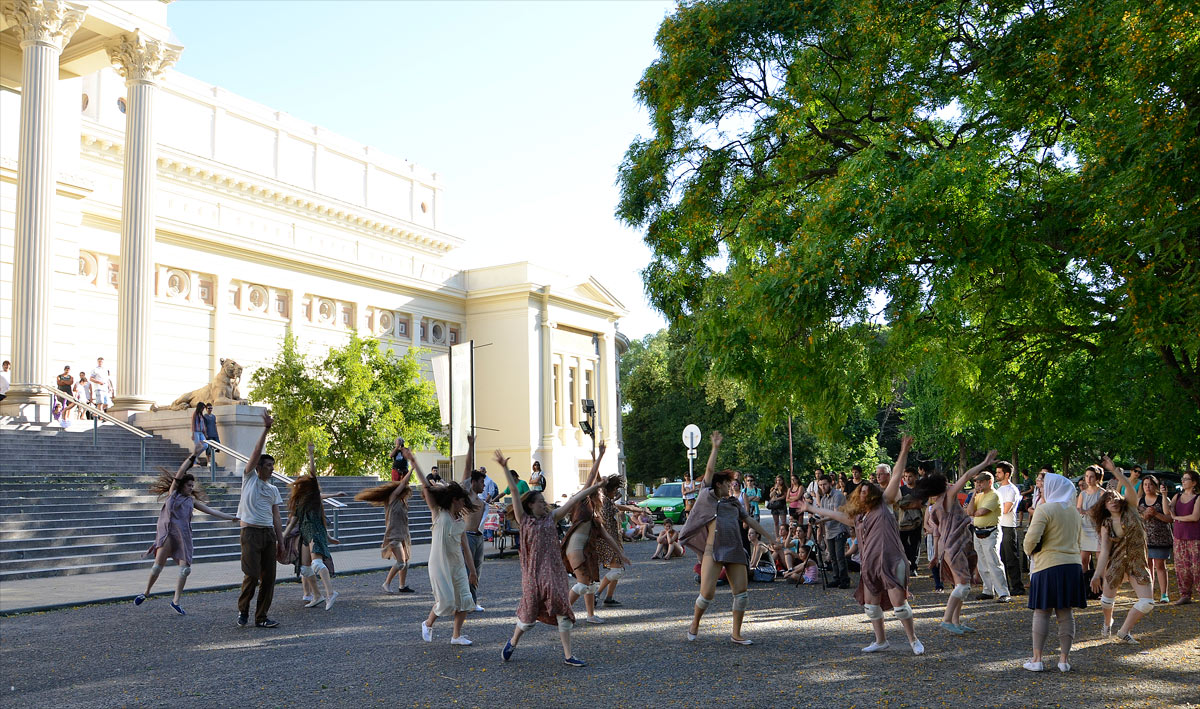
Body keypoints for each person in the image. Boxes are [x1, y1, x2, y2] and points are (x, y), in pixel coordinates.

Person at [799, 436, 923, 655]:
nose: (865, 494)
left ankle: (913, 640)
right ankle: (880, 640)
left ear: (874, 493)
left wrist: (904, 450)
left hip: (892, 561)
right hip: (870, 564)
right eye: (862, 492)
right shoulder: (857, 517)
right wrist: (811, 508)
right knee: (872, 607)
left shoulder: (885, 503)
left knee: (900, 607)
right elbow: (835, 514)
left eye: (868, 491)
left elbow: (895, 476)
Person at [500, 456, 609, 667]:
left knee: (563, 610)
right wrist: (505, 467)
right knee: (528, 618)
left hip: (554, 572)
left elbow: (575, 500)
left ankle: (568, 655)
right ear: (530, 505)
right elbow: (514, 492)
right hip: (533, 575)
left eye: (544, 502)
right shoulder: (525, 520)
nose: (544, 504)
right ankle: (513, 642)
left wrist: (597, 485)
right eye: (540, 502)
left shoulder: (553, 517)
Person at [679, 431, 777, 645]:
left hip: (734, 550)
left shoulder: (733, 503)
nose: (731, 486)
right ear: (718, 485)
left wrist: (770, 537)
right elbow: (709, 470)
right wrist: (715, 448)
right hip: (713, 552)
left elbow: (750, 521)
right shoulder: (707, 496)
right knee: (707, 595)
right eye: (727, 483)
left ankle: (736, 634)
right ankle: (695, 622)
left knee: (741, 594)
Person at [134, 442, 238, 614]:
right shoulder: (173, 495)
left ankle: (176, 601)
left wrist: (232, 518)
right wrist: (193, 456)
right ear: (182, 485)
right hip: (169, 534)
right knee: (157, 566)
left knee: (186, 569)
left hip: (183, 537)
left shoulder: (191, 501)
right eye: (188, 485)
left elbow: (210, 510)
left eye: (192, 486)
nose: (191, 488)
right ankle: (146, 592)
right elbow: (180, 473)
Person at [909, 448, 999, 635]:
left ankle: (956, 622)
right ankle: (947, 620)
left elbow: (938, 534)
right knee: (963, 585)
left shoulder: (934, 507)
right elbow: (966, 475)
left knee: (961, 585)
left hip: (954, 546)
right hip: (956, 546)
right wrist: (985, 462)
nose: (951, 483)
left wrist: (936, 555)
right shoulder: (948, 498)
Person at [404, 446, 478, 645]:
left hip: (457, 564)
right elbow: (426, 487)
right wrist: (413, 461)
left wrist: (472, 571)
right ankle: (427, 623)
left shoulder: (460, 521)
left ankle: (456, 636)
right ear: (455, 499)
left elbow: (466, 548)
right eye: (463, 500)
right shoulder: (438, 513)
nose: (465, 503)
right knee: (445, 601)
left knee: (464, 600)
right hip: (439, 563)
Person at [1021, 472, 1086, 673]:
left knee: (1042, 611)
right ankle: (1064, 660)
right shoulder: (1074, 512)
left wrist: (1028, 551)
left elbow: (1031, 539)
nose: (1041, 490)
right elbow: (1080, 539)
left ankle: (1037, 659)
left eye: (1043, 487)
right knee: (1066, 613)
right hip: (1072, 565)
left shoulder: (1045, 510)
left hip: (1048, 565)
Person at [561, 442, 627, 624]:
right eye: (598, 490)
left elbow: (606, 535)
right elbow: (591, 478)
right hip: (575, 549)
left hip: (587, 550)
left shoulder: (595, 515)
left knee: (590, 585)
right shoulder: (582, 501)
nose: (600, 493)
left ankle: (590, 615)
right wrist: (599, 456)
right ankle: (563, 613)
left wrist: (621, 553)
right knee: (583, 584)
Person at [1090, 457, 1154, 643]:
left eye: (1116, 498)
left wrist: (1115, 471)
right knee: (1106, 601)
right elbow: (1104, 553)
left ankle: (1124, 631)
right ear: (1104, 506)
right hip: (1117, 562)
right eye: (1108, 500)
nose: (1113, 501)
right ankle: (1108, 620)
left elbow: (1129, 486)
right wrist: (1097, 574)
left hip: (1137, 561)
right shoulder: (1106, 524)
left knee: (1147, 603)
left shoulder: (1132, 509)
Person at [236, 411, 285, 629]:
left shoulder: (273, 489)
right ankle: (243, 610)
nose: (272, 469)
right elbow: (256, 452)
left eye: (273, 466)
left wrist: (281, 542)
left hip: (268, 534)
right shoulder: (249, 479)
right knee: (252, 575)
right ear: (258, 468)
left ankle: (262, 616)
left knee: (269, 578)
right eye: (268, 466)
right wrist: (266, 429)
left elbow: (277, 516)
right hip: (251, 533)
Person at [286, 443, 342, 610]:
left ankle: (330, 593)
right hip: (305, 534)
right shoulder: (299, 502)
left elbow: (313, 475)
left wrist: (311, 454)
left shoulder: (313, 497)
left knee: (317, 564)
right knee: (305, 569)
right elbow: (293, 522)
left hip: (315, 532)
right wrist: (282, 536)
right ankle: (317, 596)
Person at [355, 474, 415, 594]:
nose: (407, 496)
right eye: (406, 493)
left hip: (403, 535)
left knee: (406, 562)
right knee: (401, 562)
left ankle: (402, 586)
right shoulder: (392, 499)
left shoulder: (402, 502)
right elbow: (403, 483)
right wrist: (412, 468)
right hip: (393, 536)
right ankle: (386, 583)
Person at [594, 475, 643, 607]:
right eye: (615, 490)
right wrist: (596, 458)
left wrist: (637, 509)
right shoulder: (603, 500)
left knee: (617, 569)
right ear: (611, 489)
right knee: (617, 571)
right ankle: (597, 594)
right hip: (608, 541)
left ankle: (609, 598)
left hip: (612, 539)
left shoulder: (608, 502)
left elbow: (622, 507)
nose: (616, 493)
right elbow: (599, 481)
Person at [967, 471, 1011, 602]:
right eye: (977, 482)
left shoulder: (994, 495)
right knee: (982, 562)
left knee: (993, 562)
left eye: (981, 482)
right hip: (978, 531)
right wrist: (974, 494)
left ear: (989, 482)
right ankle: (988, 590)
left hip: (990, 532)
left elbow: (980, 512)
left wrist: (974, 513)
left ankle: (1003, 592)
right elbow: (969, 511)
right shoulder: (979, 496)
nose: (978, 484)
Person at [1137, 476, 1173, 603]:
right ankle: (1149, 594)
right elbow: (1138, 519)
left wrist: (1156, 514)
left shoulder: (1162, 498)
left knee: (1160, 565)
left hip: (1161, 537)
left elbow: (1170, 518)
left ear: (1155, 486)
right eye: (1145, 484)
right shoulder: (1140, 501)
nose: (1147, 487)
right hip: (1146, 538)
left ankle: (1164, 594)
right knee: (1148, 566)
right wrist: (1145, 515)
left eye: (1150, 484)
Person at [462, 437, 488, 611]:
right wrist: (471, 446)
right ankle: (467, 602)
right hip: (468, 537)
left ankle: (473, 601)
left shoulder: (481, 501)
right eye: (481, 482)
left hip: (479, 538)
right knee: (467, 571)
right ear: (473, 483)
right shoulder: (467, 496)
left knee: (476, 571)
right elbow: (467, 470)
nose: (484, 485)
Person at [1168, 471, 1199, 605]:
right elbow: (1167, 510)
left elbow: (1195, 517)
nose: (1183, 481)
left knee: (1197, 567)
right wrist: (1164, 496)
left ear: (1194, 482)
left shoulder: (1198, 498)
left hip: (1195, 537)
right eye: (1183, 478)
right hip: (1179, 537)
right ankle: (1185, 594)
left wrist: (1177, 518)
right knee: (1181, 567)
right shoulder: (1177, 496)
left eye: (1187, 479)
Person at [995, 461, 1026, 595]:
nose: (997, 475)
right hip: (998, 526)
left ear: (1007, 474)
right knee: (1000, 557)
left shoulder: (1012, 490)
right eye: (996, 472)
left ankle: (1017, 586)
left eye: (999, 472)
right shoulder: (998, 489)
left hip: (1008, 526)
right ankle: (1004, 586)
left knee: (1011, 558)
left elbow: (1006, 509)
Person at [817, 475, 852, 588]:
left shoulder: (838, 495)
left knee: (839, 556)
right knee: (832, 556)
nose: (823, 487)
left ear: (830, 483)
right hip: (829, 530)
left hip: (839, 529)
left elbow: (836, 514)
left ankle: (844, 580)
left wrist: (821, 519)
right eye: (820, 485)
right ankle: (836, 578)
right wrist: (816, 520)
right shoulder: (823, 499)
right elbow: (822, 514)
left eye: (825, 484)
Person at [1077, 466, 1104, 592]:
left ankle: (1100, 587)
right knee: (1083, 558)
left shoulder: (1102, 493)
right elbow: (1078, 509)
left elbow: (1103, 511)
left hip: (1097, 528)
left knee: (1100, 558)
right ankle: (1084, 586)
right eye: (1087, 476)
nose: (1089, 479)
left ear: (1097, 478)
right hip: (1085, 527)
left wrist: (1088, 512)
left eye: (1092, 476)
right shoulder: (1082, 494)